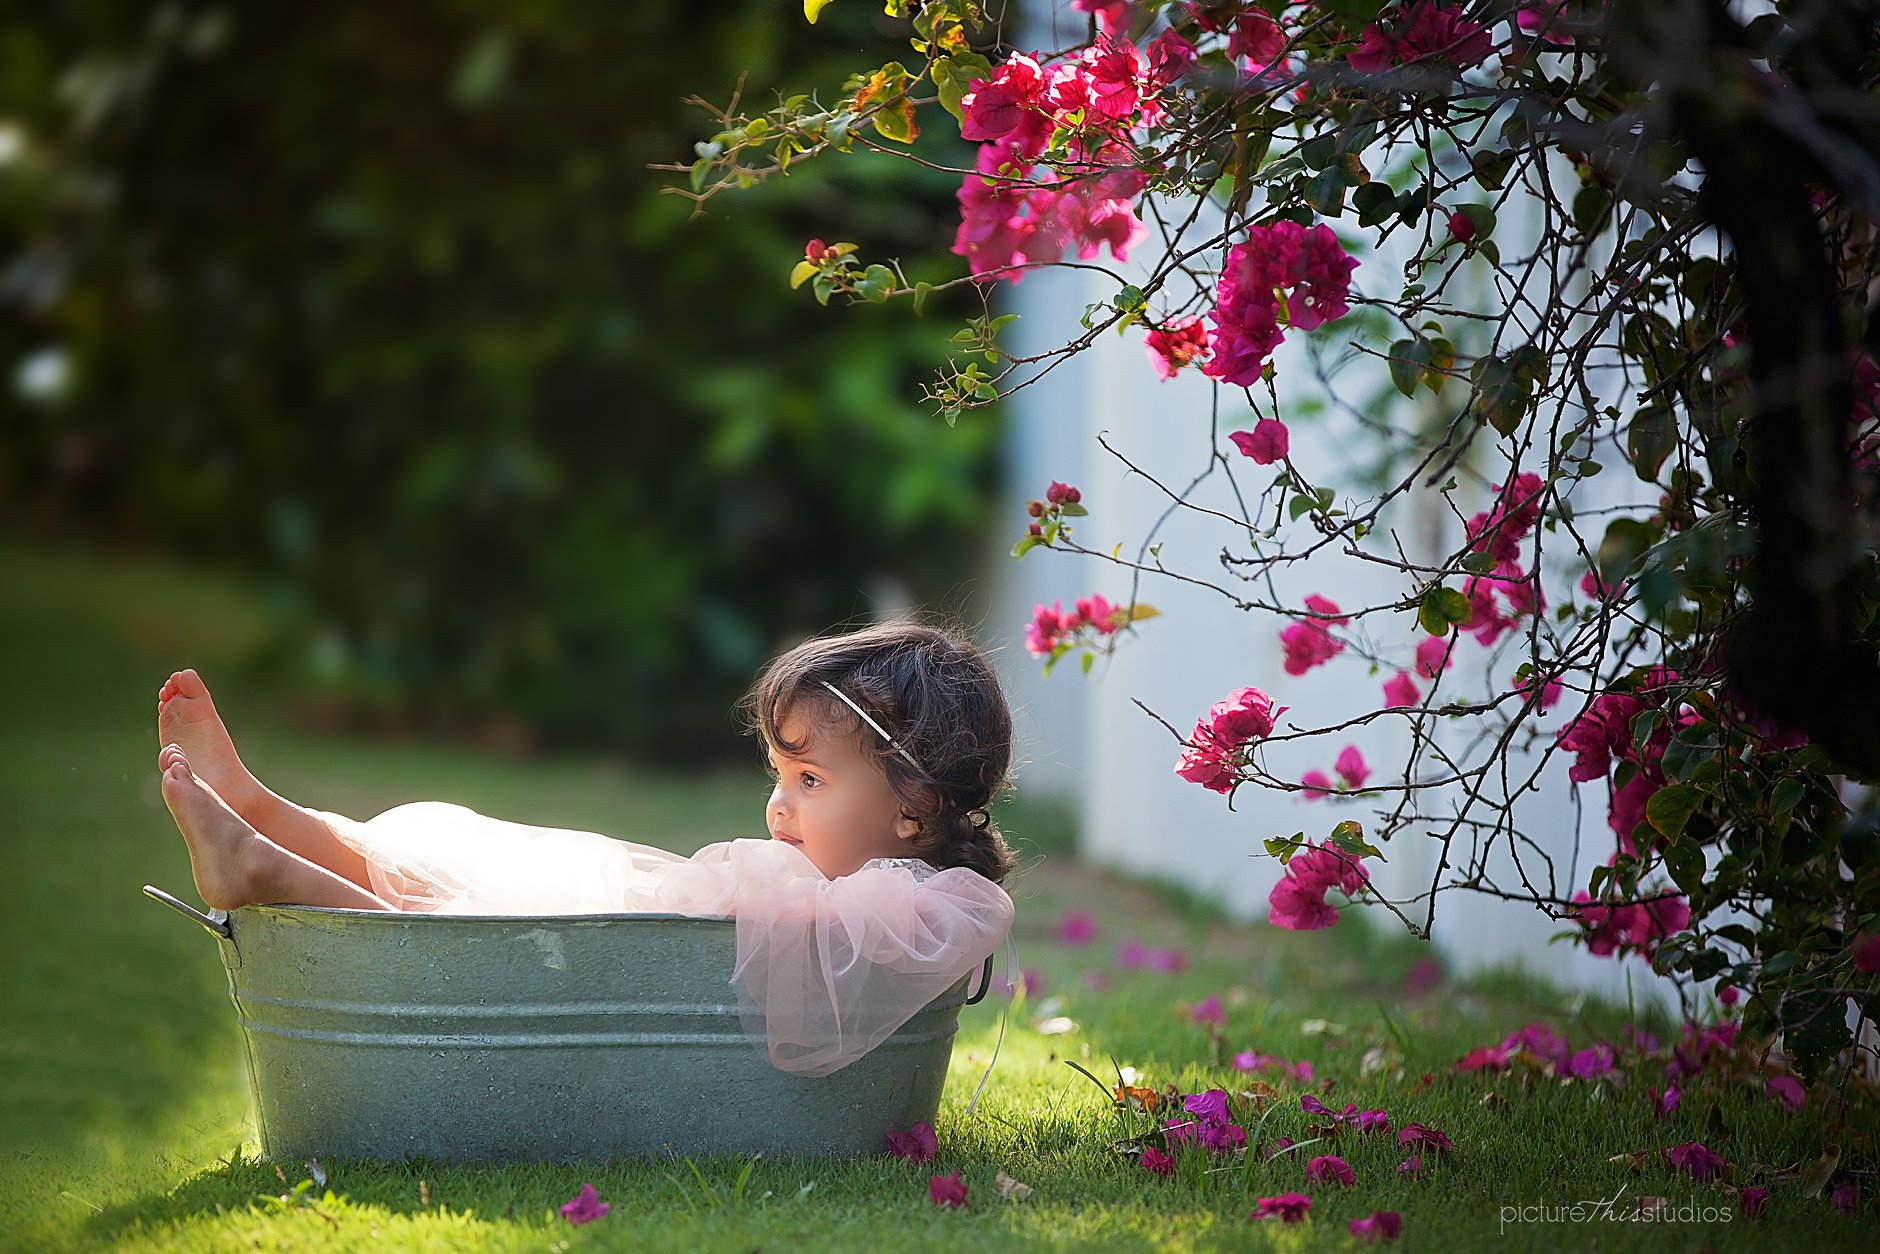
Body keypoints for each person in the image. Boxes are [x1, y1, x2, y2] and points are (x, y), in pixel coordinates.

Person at [153, 618, 1018, 1075]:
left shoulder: (921, 905)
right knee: (429, 864)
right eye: (780, 775)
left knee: (440, 927)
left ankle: (264, 864)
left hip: (580, 956)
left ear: (915, 803)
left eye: (811, 782)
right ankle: (260, 806)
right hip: (618, 915)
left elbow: (828, 980)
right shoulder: (863, 879)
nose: (777, 808)